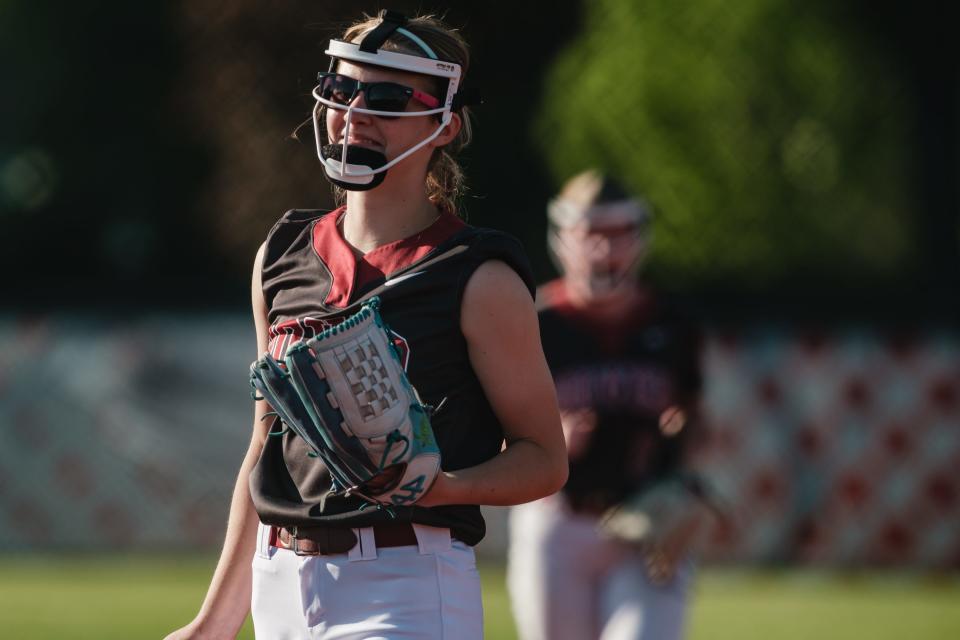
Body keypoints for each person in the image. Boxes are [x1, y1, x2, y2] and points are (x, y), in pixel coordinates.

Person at [166, 11, 567, 640]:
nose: (354, 113)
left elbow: (544, 459)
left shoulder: (477, 276)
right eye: (342, 89)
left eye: (384, 97)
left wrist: (440, 487)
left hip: (403, 583)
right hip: (280, 584)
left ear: (444, 124)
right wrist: (214, 620)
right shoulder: (282, 253)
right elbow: (265, 446)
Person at [507, 170, 707, 640]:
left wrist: (687, 484)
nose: (603, 249)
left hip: (646, 521)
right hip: (557, 520)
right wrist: (546, 440)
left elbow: (692, 412)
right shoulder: (535, 322)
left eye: (616, 235)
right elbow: (493, 431)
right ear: (564, 238)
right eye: (589, 235)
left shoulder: (671, 322)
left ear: (638, 239)